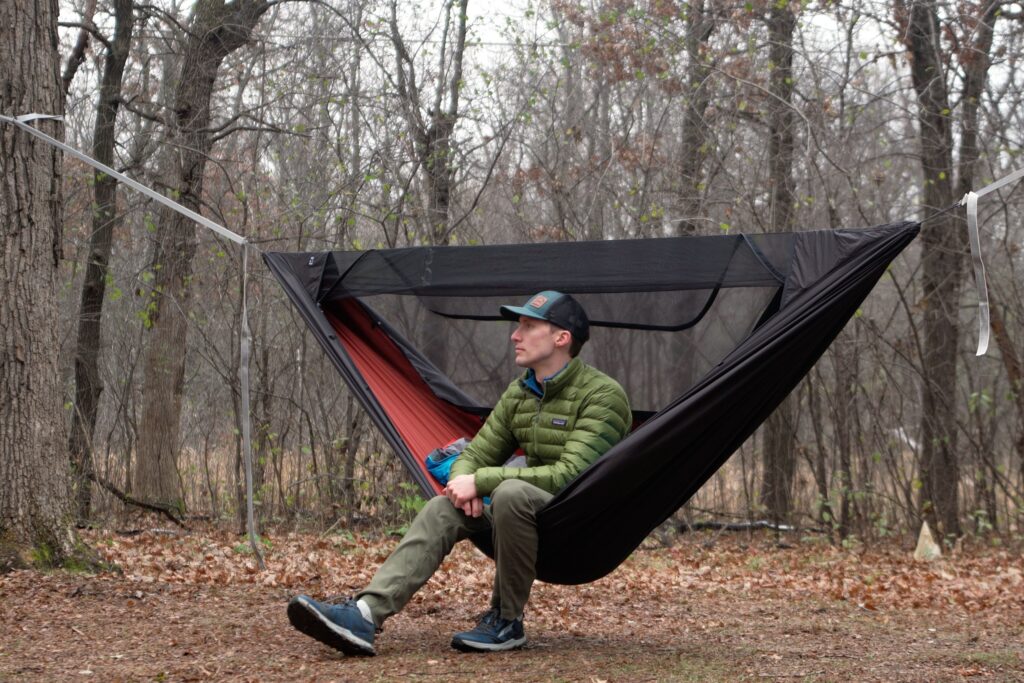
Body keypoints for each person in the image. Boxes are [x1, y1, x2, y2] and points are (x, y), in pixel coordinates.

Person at [287, 290, 631, 655]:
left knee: (510, 493)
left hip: (577, 528)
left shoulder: (602, 396)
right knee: (442, 507)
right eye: (518, 327)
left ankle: (506, 621)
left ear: (562, 338)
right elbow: (477, 453)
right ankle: (365, 615)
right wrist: (463, 483)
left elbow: (571, 476)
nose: (515, 336)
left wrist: (481, 482)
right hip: (522, 520)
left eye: (528, 327)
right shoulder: (521, 393)